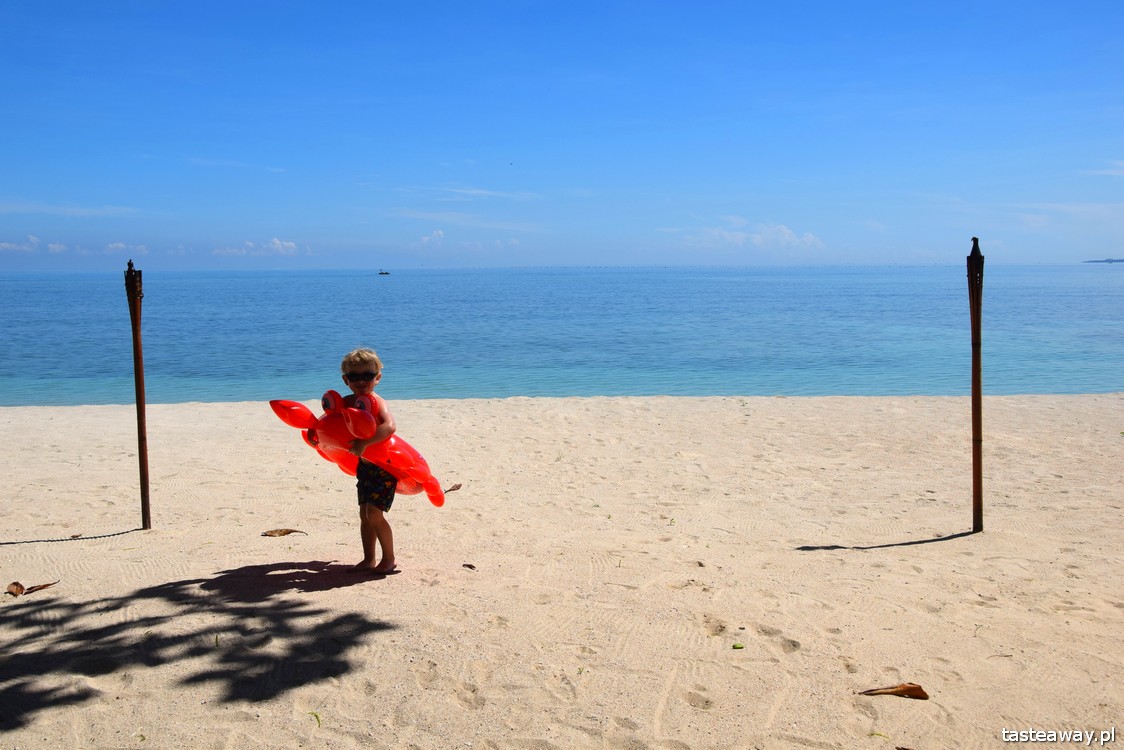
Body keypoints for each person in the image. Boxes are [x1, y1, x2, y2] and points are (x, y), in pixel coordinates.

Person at [340, 347, 402, 574]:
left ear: (377, 378)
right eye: (354, 376)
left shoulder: (377, 402)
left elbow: (389, 426)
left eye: (367, 375)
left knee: (374, 514)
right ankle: (369, 559)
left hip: (384, 468)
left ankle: (389, 559)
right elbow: (331, 422)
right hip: (364, 468)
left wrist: (365, 443)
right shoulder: (348, 401)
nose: (361, 381)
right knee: (364, 515)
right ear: (346, 380)